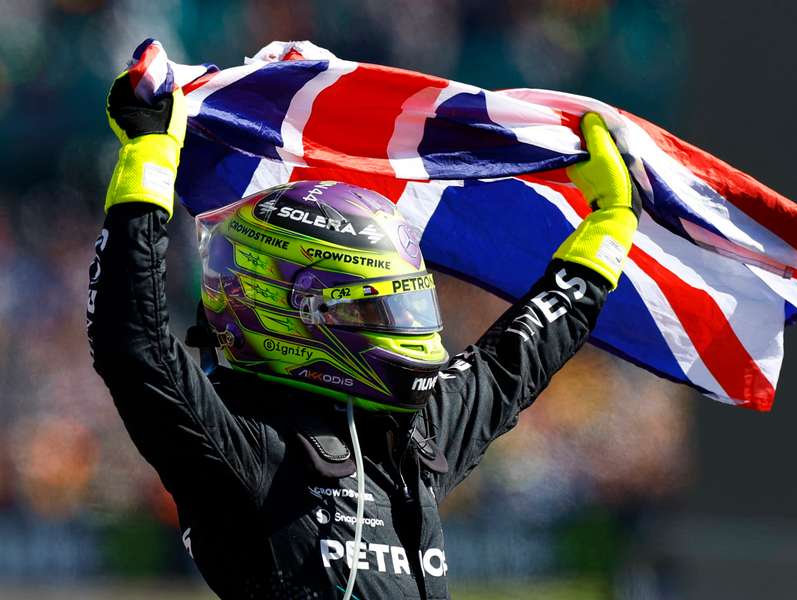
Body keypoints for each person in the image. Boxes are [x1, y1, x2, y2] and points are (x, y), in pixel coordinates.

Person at [87, 69, 639, 600]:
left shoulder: (409, 433)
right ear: (292, 311)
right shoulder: (245, 450)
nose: (407, 328)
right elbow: (132, 344)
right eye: (374, 310)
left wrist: (608, 230)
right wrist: (149, 157)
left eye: (408, 302)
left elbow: (512, 361)